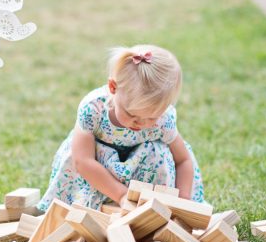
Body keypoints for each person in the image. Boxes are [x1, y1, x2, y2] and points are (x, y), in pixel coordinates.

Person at [36, 45, 204, 212]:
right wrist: (122, 195)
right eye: (131, 115)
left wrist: (183, 201)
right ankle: (89, 209)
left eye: (152, 117)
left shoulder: (163, 120)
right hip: (97, 169)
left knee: (160, 153)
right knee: (74, 153)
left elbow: (183, 160)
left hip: (140, 167)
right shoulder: (93, 109)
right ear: (113, 88)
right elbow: (83, 161)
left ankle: (152, 211)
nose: (142, 124)